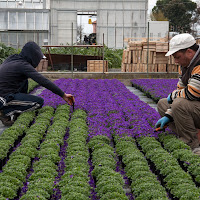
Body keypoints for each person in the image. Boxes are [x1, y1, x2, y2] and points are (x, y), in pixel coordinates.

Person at [0, 41, 75, 126]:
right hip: (3, 98)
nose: (38, 61)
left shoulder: (13, 58)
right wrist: (63, 95)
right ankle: (4, 111)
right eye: (38, 58)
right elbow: (43, 81)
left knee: (24, 80)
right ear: (33, 56)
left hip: (4, 92)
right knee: (38, 102)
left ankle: (15, 105)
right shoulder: (23, 65)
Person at [155, 33, 200, 154]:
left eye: (177, 57)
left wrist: (173, 96)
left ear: (189, 52)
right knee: (163, 104)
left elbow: (191, 93)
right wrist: (168, 114)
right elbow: (181, 89)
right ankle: (191, 133)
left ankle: (192, 145)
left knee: (178, 103)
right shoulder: (185, 66)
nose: (175, 61)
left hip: (196, 102)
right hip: (196, 106)